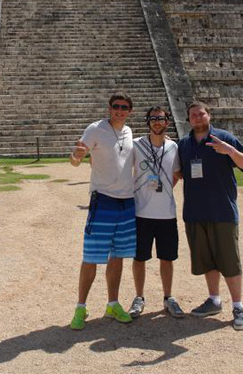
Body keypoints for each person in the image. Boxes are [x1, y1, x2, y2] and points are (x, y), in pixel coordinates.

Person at [177, 101, 243, 331]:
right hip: (195, 212)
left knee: (229, 260)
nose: (198, 118)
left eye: (201, 114)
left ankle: (238, 306)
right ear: (188, 119)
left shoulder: (223, 138)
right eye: (193, 115)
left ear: (209, 116)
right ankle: (214, 300)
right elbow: (178, 173)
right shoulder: (184, 144)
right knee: (207, 258)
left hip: (222, 210)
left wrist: (229, 151)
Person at [68, 93, 136, 330]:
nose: (119, 110)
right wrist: (76, 156)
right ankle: (80, 307)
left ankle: (112, 303)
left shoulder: (129, 134)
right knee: (91, 257)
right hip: (103, 201)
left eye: (124, 107)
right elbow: (77, 157)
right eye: (116, 106)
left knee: (117, 256)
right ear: (109, 108)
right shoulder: (95, 129)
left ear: (130, 111)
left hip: (127, 203)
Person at [127, 106, 185, 319]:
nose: (157, 122)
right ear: (148, 122)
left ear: (167, 122)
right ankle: (139, 297)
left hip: (166, 213)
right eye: (153, 119)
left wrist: (165, 189)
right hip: (141, 213)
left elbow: (177, 173)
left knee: (167, 258)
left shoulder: (174, 147)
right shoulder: (136, 145)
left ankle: (168, 297)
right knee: (139, 258)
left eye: (161, 119)